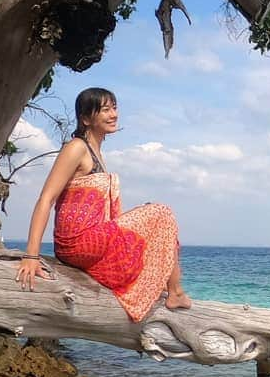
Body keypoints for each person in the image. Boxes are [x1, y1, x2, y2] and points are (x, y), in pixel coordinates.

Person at [17, 87, 192, 319]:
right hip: (78, 242)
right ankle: (176, 292)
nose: (114, 115)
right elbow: (46, 198)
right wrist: (31, 256)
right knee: (161, 213)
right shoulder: (77, 148)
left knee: (153, 216)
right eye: (105, 110)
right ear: (87, 118)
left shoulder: (97, 151)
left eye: (115, 108)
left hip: (91, 240)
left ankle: (169, 289)